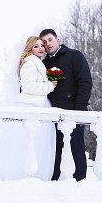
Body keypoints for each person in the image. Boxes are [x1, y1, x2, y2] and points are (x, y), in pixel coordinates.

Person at [0, 36, 57, 182]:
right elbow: (28, 87)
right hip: (32, 107)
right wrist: (49, 86)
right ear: (29, 49)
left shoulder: (37, 63)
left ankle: (31, 174)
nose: (41, 48)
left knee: (33, 144)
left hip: (38, 107)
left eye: (42, 45)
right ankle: (16, 174)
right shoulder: (30, 63)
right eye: (36, 46)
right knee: (22, 144)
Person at [39, 28, 92, 181]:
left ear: (57, 39)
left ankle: (80, 180)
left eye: (49, 39)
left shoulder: (74, 56)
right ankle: (53, 178)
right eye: (44, 42)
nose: (47, 44)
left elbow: (85, 82)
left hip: (74, 111)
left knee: (76, 147)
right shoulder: (45, 63)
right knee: (54, 148)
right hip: (52, 114)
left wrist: (79, 111)